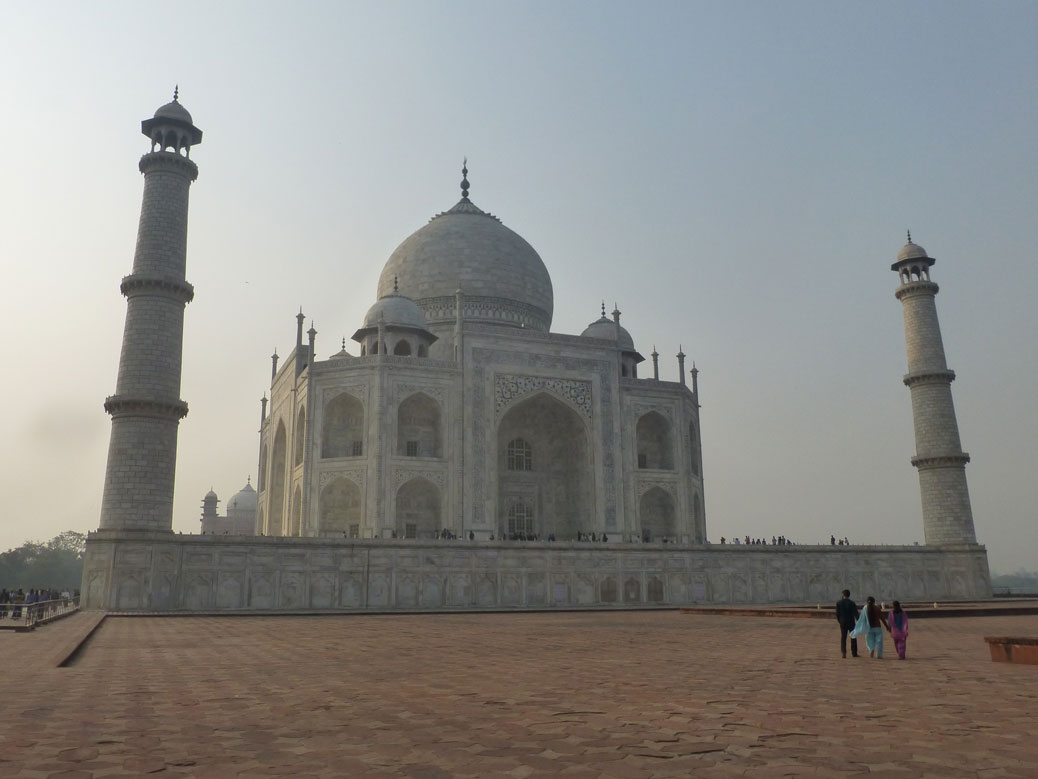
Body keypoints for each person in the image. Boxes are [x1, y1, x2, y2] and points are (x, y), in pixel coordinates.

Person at [835, 589, 859, 658]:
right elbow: (856, 613)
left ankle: (843, 652)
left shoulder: (839, 603)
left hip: (843, 622)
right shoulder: (852, 603)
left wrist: (840, 621)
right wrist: (859, 621)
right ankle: (854, 653)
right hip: (851, 622)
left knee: (843, 637)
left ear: (843, 595)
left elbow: (837, 614)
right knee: (853, 637)